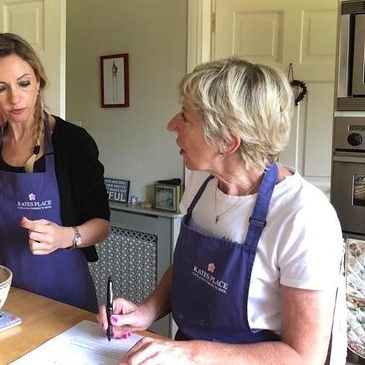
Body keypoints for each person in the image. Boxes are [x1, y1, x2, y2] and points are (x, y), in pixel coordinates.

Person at [98, 57, 344, 364]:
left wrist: (191, 353)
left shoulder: (304, 217)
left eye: (185, 118)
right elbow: (188, 269)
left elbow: (303, 356)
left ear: (227, 142)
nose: (171, 125)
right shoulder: (202, 182)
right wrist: (147, 311)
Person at [0, 33, 110, 312]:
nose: (15, 97)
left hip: (64, 301)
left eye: (24, 83)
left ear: (39, 82)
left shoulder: (73, 142)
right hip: (3, 296)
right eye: (0, 88)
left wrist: (65, 236)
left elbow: (102, 224)